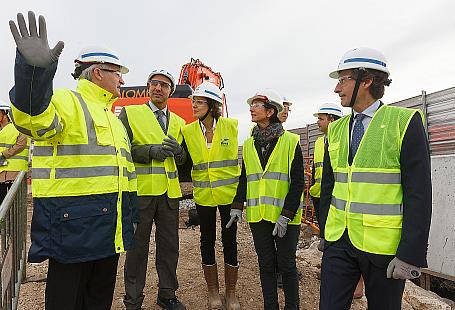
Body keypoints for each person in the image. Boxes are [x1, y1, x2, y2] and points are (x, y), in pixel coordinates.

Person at [8, 11, 137, 310]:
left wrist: (130, 218)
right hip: (73, 232)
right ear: (97, 73)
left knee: (98, 301)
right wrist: (33, 75)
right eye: (117, 72)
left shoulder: (113, 117)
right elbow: (33, 120)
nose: (122, 78)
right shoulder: (68, 101)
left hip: (109, 230)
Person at [319, 47, 432, 310]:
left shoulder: (404, 122)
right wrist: (326, 230)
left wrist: (410, 254)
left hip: (384, 248)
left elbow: (419, 193)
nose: (337, 89)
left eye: (342, 79)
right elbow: (329, 186)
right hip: (339, 241)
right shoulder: (335, 130)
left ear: (366, 80)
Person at [229, 89, 304, 310]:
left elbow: (298, 182)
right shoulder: (250, 143)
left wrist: (287, 215)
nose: (251, 109)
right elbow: (245, 178)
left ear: (270, 111)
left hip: (285, 218)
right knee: (266, 265)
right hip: (259, 216)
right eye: (251, 105)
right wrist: (237, 206)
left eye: (256, 105)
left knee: (287, 266)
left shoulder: (291, 141)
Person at [120, 69, 187, 310]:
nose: (159, 88)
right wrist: (150, 151)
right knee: (137, 249)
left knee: (170, 247)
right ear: (149, 87)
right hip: (141, 194)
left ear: (171, 91)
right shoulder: (131, 113)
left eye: (165, 85)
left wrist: (179, 152)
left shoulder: (179, 122)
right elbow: (123, 150)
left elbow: (184, 161)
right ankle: (133, 300)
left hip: (169, 195)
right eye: (155, 83)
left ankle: (167, 295)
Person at [181, 82, 241, 310]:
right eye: (193, 101)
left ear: (212, 105)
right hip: (204, 195)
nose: (194, 105)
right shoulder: (187, 131)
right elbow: (185, 164)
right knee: (206, 241)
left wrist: (239, 199)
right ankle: (213, 292)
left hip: (228, 195)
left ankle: (232, 292)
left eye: (199, 102)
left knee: (230, 242)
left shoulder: (230, 126)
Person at [309, 103, 343, 229]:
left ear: (332, 119)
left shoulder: (344, 140)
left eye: (321, 119)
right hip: (318, 195)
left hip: (336, 196)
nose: (317, 122)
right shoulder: (318, 142)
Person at [0, 100, 30, 202]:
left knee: (13, 204)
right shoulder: (1, 130)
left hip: (15, 173)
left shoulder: (19, 128)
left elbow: (20, 145)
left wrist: (3, 154)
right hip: (2, 172)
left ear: (5, 114)